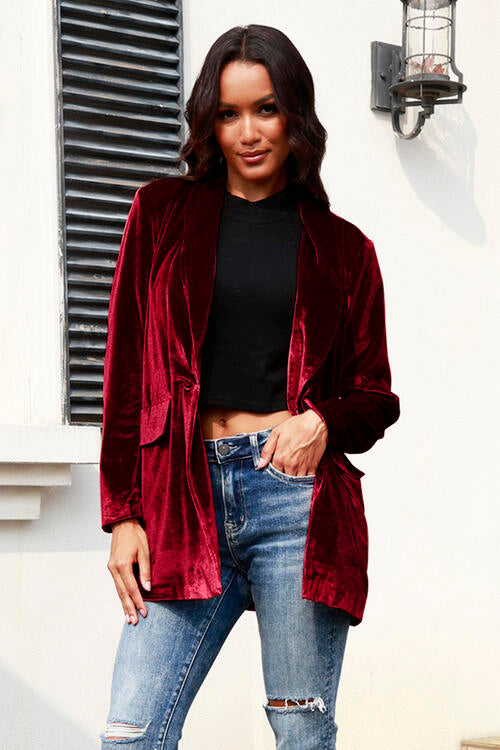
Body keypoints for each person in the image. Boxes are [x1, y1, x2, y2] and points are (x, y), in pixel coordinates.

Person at [99, 24, 400, 750]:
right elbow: (125, 369)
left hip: (294, 505)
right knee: (131, 733)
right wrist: (123, 514)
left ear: (294, 114)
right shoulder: (161, 213)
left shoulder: (344, 249)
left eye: (265, 109)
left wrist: (321, 421)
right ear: (210, 122)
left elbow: (375, 395)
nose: (248, 132)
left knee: (301, 731)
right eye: (229, 114)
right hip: (181, 500)